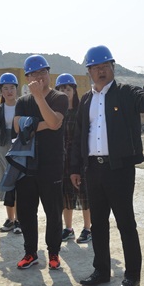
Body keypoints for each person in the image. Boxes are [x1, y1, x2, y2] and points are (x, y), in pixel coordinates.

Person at [71, 45, 144, 286]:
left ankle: (132, 276)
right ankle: (101, 270)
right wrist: (75, 168)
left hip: (119, 169)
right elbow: (79, 135)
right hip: (93, 169)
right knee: (98, 224)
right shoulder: (86, 100)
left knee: (125, 223)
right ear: (89, 71)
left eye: (105, 66)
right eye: (96, 68)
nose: (101, 71)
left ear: (113, 67)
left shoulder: (126, 92)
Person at [14, 55, 68, 271]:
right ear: (27, 77)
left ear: (49, 73)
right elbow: (18, 127)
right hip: (26, 166)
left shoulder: (59, 97)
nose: (39, 77)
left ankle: (54, 252)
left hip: (51, 165)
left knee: (53, 212)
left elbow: (55, 122)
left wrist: (38, 99)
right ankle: (30, 253)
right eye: (34, 73)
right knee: (26, 212)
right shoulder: (22, 102)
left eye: (42, 72)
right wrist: (44, 123)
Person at [55, 73, 92, 244]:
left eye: (68, 89)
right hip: (62, 160)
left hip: (79, 158)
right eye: (61, 90)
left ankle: (88, 229)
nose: (65, 92)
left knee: (85, 195)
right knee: (65, 196)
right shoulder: (57, 113)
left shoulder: (81, 111)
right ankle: (68, 228)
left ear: (74, 91)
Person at [0, 72, 22, 235]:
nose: (9, 91)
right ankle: (10, 219)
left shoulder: (22, 105)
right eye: (5, 88)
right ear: (1, 91)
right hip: (2, 147)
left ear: (17, 89)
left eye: (12, 87)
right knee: (5, 182)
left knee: (18, 182)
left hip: (18, 148)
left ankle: (19, 219)